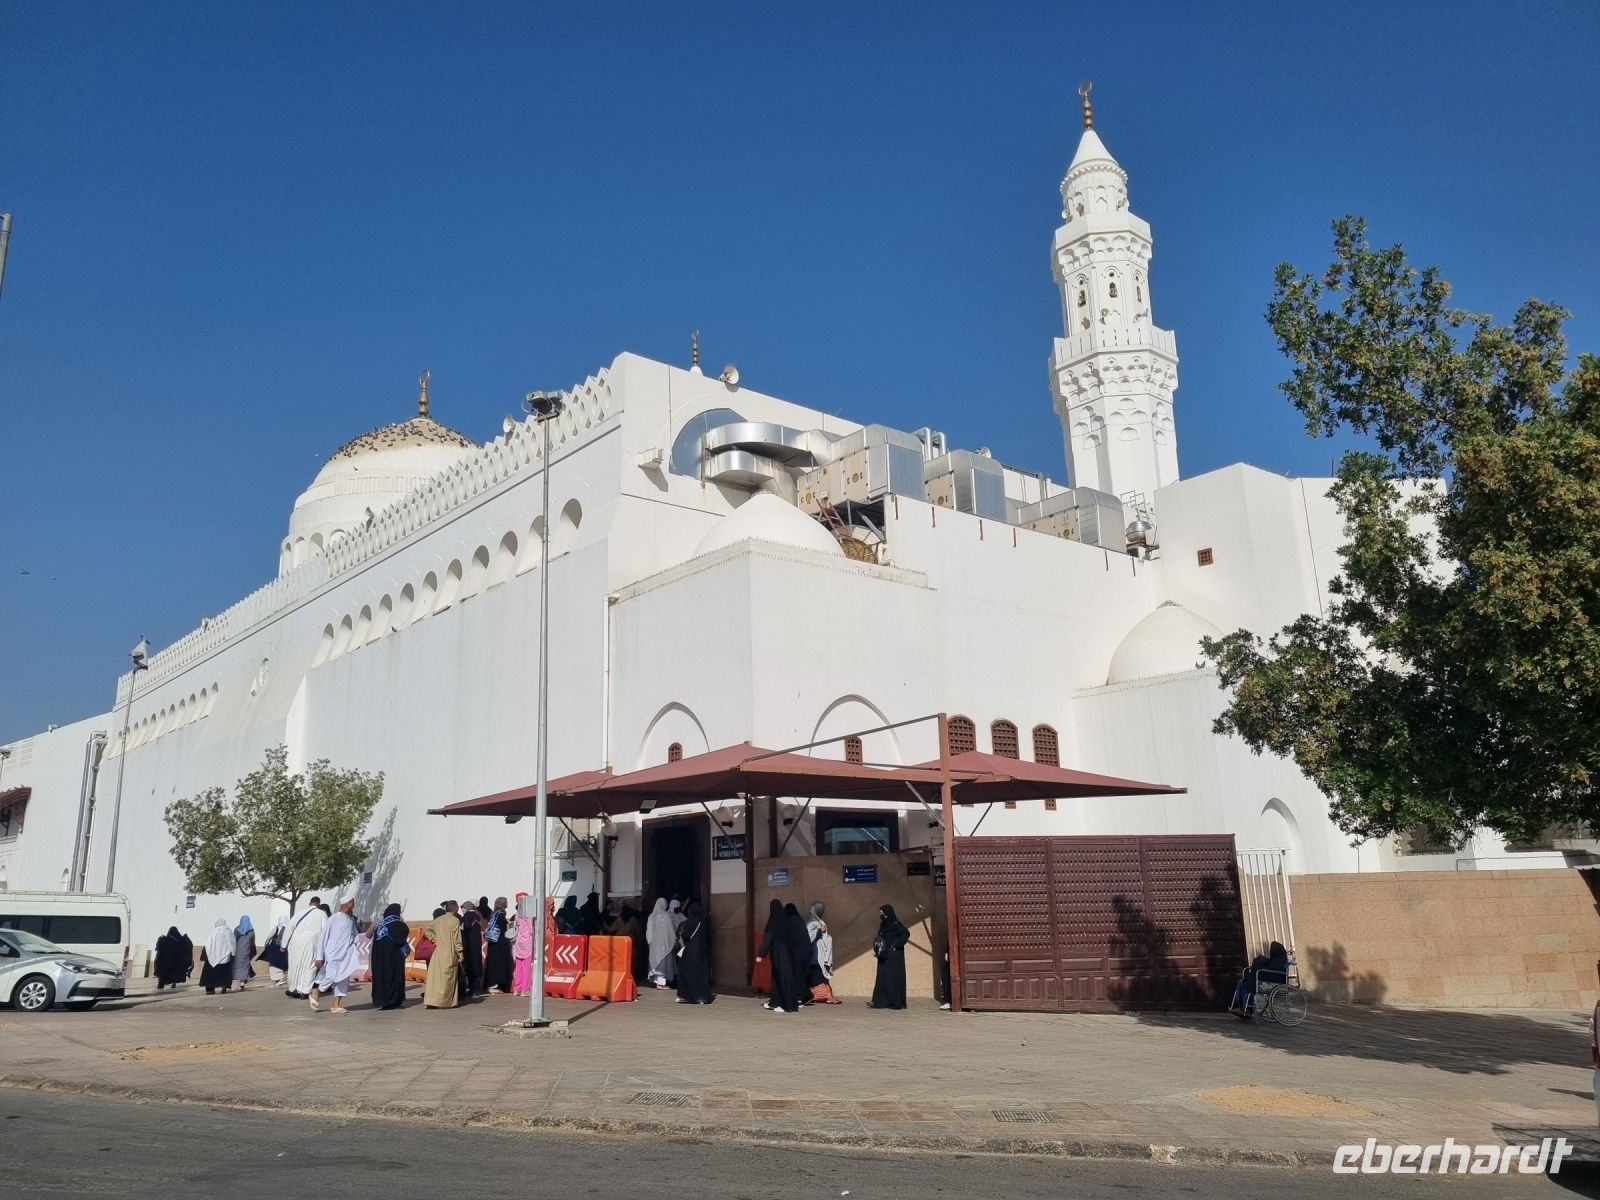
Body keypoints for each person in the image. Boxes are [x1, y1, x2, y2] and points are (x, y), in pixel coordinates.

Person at [310, 895, 360, 1014]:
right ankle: (317, 991)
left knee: (344, 979)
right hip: (333, 954)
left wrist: (354, 943)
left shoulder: (351, 919)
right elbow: (323, 937)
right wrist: (319, 957)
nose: (353, 904)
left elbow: (354, 934)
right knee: (331, 976)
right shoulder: (333, 918)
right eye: (352, 902)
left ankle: (336, 1005)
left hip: (346, 954)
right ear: (345, 904)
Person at [756, 899, 798, 1013]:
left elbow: (768, 938)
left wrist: (761, 954)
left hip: (779, 955)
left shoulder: (773, 922)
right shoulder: (787, 922)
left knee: (781, 979)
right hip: (789, 955)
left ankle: (787, 1006)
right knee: (783, 979)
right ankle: (776, 1002)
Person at [868, 904, 910, 1010]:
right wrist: (877, 950)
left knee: (893, 978)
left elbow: (906, 934)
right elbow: (880, 937)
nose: (881, 914)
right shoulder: (883, 924)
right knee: (882, 978)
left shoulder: (896, 924)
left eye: (883, 912)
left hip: (894, 956)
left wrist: (896, 946)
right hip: (883, 955)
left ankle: (895, 1002)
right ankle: (879, 1002)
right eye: (881, 912)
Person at [283, 898, 327, 999]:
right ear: (319, 904)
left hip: (295, 940)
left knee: (294, 965)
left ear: (310, 903)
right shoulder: (321, 914)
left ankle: (293, 989)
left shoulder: (299, 912)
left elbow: (289, 927)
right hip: (311, 940)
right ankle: (305, 991)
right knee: (309, 965)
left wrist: (283, 944)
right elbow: (325, 931)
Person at [422, 904, 463, 1009]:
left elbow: (427, 929)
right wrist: (460, 952)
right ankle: (446, 1001)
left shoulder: (438, 920)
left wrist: (434, 939)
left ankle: (432, 1000)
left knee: (436, 978)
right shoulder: (455, 921)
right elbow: (457, 938)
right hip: (450, 952)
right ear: (454, 909)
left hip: (438, 952)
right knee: (448, 978)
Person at [369, 903, 410, 1010]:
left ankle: (383, 1001)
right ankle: (394, 1001)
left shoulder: (381, 925)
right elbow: (402, 937)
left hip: (380, 959)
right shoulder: (398, 923)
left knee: (383, 978)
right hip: (394, 958)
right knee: (394, 978)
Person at [674, 899, 713, 1004]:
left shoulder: (688, 922)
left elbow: (685, 936)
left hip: (690, 952)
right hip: (703, 952)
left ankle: (686, 996)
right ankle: (702, 997)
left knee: (687, 973)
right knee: (702, 974)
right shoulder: (705, 922)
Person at [805, 901, 840, 1004]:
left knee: (820, 975)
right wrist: (820, 931)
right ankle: (816, 995)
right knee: (816, 975)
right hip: (815, 954)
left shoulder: (818, 921)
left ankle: (822, 995)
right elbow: (808, 938)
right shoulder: (811, 922)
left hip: (820, 954)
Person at [482, 896, 513, 994]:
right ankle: (494, 985)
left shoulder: (493, 914)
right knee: (498, 964)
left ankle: (490, 985)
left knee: (492, 963)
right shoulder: (500, 915)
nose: (507, 904)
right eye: (506, 902)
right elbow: (503, 928)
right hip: (499, 943)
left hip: (492, 942)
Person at [646, 898, 676, 988]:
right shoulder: (666, 916)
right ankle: (660, 984)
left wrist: (650, 942)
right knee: (662, 964)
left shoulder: (651, 916)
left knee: (656, 962)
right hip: (664, 944)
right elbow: (670, 930)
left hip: (654, 945)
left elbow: (649, 931)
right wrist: (673, 940)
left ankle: (659, 982)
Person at [199, 918, 234, 994]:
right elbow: (232, 943)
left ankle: (210, 989)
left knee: (209, 973)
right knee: (224, 973)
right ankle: (224, 985)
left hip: (212, 957)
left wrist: (207, 954)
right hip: (225, 957)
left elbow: (207, 944)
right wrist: (233, 953)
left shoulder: (212, 932)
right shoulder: (228, 931)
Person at [458, 900, 484, 1000]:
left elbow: (463, 929)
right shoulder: (477, 916)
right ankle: (473, 990)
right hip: (476, 945)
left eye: (463, 908)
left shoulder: (467, 916)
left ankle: (465, 991)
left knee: (467, 969)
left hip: (468, 947)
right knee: (474, 968)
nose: (462, 911)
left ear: (467, 907)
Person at [511, 893, 536, 996]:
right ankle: (525, 989)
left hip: (519, 941)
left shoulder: (518, 913)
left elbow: (516, 926)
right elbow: (531, 929)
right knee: (527, 966)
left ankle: (517, 988)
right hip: (527, 942)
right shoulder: (529, 914)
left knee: (519, 966)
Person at [616, 905, 647, 981]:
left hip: (620, 944)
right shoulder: (633, 919)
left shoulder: (619, 920)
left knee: (621, 962)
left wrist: (602, 924)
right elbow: (638, 932)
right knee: (632, 962)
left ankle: (621, 977)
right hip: (631, 944)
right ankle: (630, 977)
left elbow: (610, 929)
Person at [259, 915, 290, 986]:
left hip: (274, 948)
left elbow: (269, 937)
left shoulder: (276, 928)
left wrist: (266, 944)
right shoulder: (289, 929)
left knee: (273, 964)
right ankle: (280, 979)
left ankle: (280, 979)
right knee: (281, 963)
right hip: (284, 949)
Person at [231, 915, 256, 991]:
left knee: (236, 966)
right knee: (245, 966)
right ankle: (242, 983)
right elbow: (252, 942)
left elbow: (233, 940)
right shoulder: (251, 931)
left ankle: (236, 984)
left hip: (238, 950)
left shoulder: (237, 930)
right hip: (246, 950)